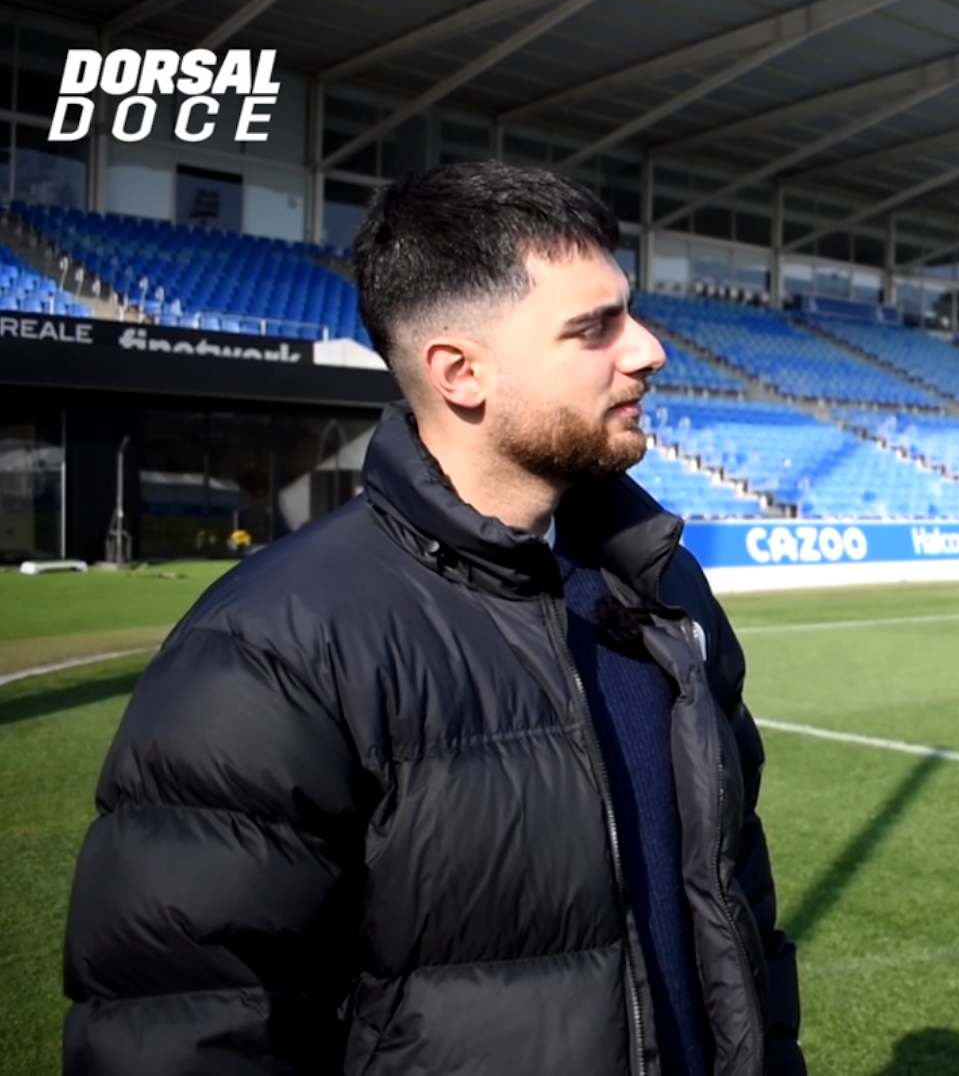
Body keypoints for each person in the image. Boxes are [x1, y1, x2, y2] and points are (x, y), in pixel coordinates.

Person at [62, 160, 804, 1076]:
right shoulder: (270, 650)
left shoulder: (663, 584)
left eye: (631, 312)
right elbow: (186, 1029)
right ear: (461, 372)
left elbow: (738, 910)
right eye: (594, 328)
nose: (648, 349)